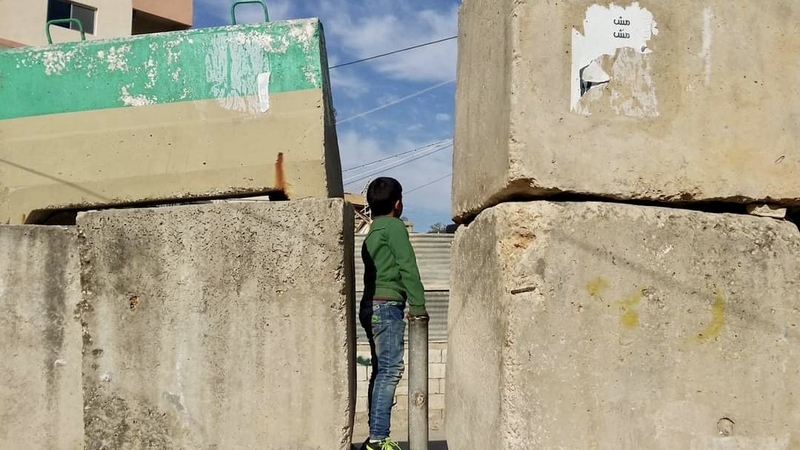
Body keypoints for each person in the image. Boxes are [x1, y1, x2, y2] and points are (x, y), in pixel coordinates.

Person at [359, 177, 428, 450]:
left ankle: (375, 435)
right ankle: (378, 439)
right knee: (390, 371)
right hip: (387, 307)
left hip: (370, 306)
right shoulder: (394, 227)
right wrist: (419, 307)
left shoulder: (374, 230)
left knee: (380, 372)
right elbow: (407, 266)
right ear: (398, 204)